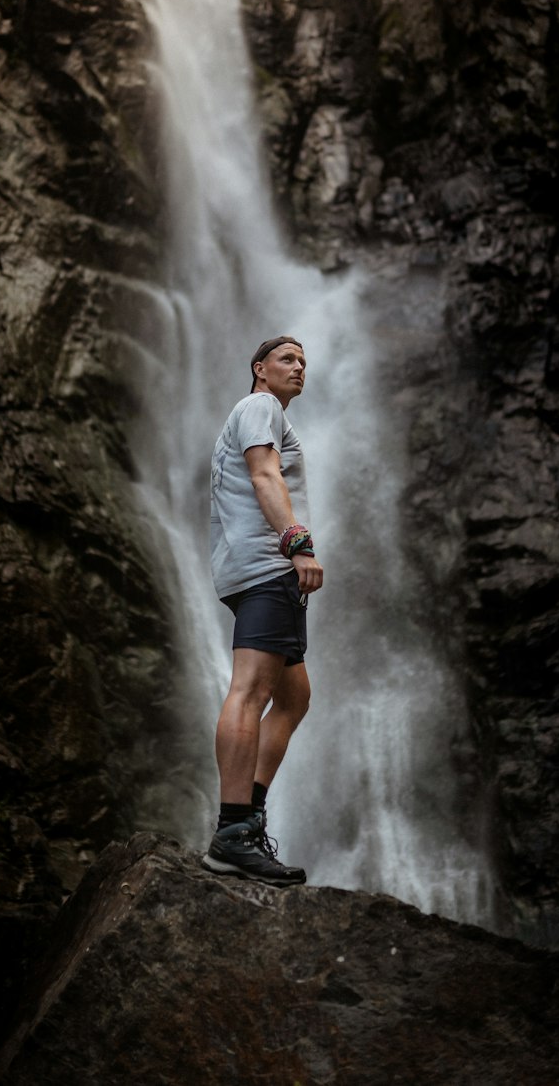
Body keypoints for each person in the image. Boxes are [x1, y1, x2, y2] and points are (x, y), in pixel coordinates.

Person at [201, 335, 324, 886]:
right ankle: (233, 833)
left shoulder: (263, 411)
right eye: (286, 358)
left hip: (253, 570)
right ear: (259, 369)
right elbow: (264, 475)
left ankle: (247, 815)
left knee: (294, 697)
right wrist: (297, 542)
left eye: (302, 361)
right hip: (264, 569)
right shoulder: (260, 406)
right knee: (250, 690)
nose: (298, 367)